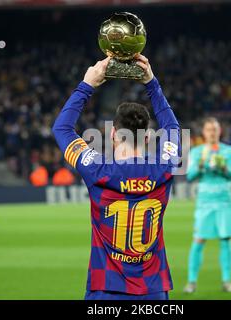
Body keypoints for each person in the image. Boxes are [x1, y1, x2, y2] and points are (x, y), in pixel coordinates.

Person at [52, 54, 181, 300]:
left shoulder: (96, 169)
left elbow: (62, 129)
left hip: (106, 289)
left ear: (112, 134)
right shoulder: (165, 165)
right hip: (152, 289)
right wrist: (151, 83)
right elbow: (173, 129)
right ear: (147, 137)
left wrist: (86, 85)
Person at [183, 117, 231, 293]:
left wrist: (223, 167)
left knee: (225, 239)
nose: (212, 133)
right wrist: (201, 164)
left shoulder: (229, 151)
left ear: (219, 131)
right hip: (205, 202)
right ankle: (191, 282)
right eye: (209, 130)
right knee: (198, 240)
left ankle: (227, 281)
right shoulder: (197, 152)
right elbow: (190, 176)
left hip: (224, 200)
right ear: (204, 132)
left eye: (215, 129)